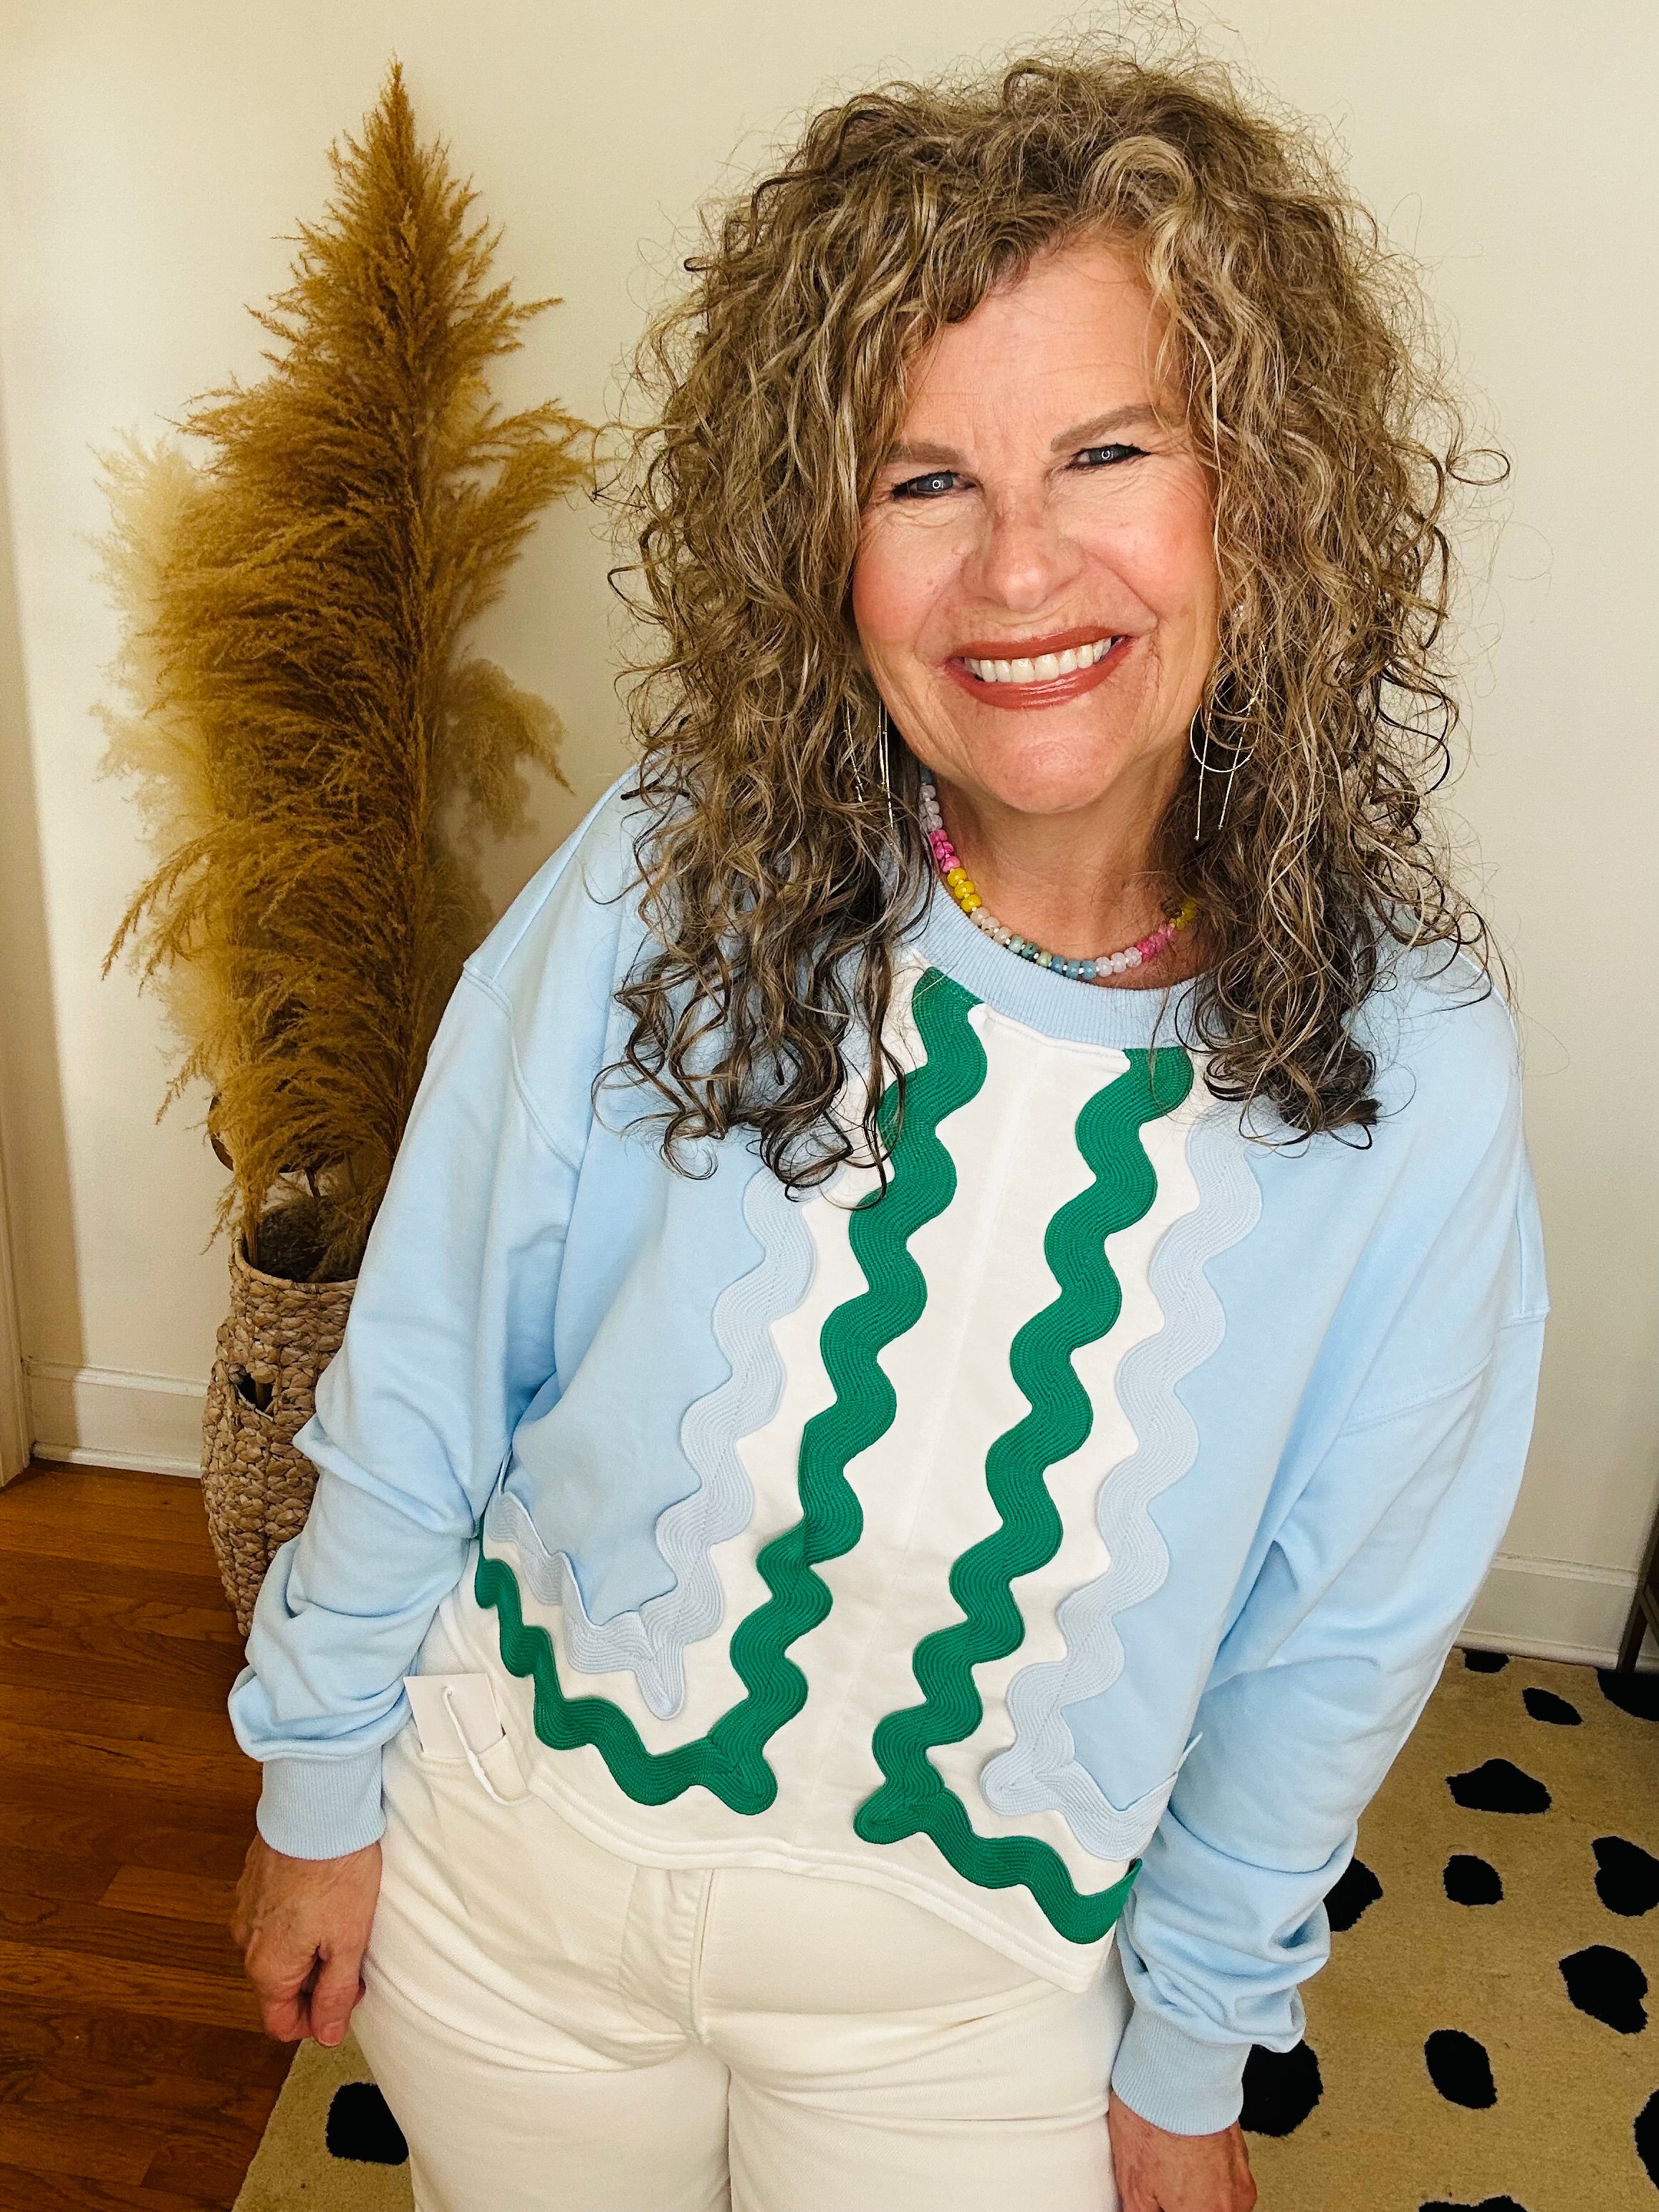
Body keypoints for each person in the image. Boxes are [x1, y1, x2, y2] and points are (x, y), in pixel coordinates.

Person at [229, 47, 1546, 2212]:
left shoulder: (1414, 1061)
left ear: (1263, 493)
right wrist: (314, 1779)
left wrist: (1195, 2043)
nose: (1017, 567)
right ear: (817, 542)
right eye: (920, 478)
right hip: (504, 1891)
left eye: (1107, 451)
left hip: (975, 2008)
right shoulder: (671, 870)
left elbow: (1338, 1631)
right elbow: (439, 1345)